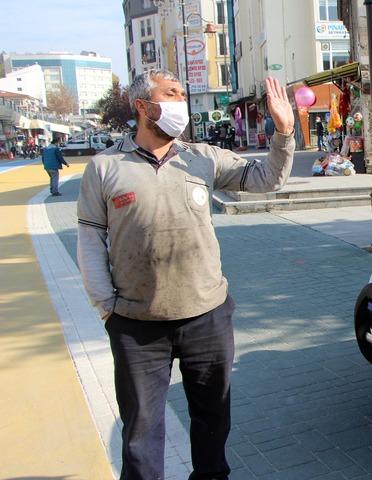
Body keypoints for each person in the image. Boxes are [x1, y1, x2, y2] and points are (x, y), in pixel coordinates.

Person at [76, 70, 295, 480]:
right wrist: (106, 307)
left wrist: (284, 134)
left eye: (182, 93)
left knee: (213, 423)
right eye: (170, 94)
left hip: (206, 317)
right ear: (143, 106)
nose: (180, 102)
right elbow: (90, 238)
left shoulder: (203, 157)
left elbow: (268, 179)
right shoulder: (106, 167)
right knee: (141, 434)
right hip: (138, 325)